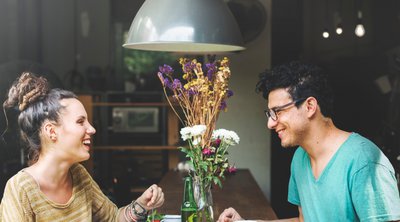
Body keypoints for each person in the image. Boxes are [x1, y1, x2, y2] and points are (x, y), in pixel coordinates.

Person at [218, 61, 400, 222]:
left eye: (278, 112)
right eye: (270, 114)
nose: (270, 123)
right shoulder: (300, 157)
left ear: (310, 106)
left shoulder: (364, 161)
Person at [0, 72, 164, 221]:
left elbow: (113, 218)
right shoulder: (20, 189)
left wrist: (142, 205)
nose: (92, 129)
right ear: (51, 131)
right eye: (80, 122)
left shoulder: (79, 175)